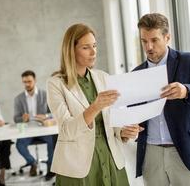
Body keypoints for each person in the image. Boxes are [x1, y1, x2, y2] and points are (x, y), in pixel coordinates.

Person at [134, 13, 190, 186]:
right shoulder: (136, 74)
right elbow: (133, 113)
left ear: (167, 37)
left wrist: (186, 91)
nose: (149, 47)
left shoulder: (189, 61)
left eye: (154, 40)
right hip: (151, 153)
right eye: (144, 41)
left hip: (185, 150)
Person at [46, 23, 142, 186]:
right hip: (79, 166)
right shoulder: (56, 84)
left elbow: (113, 121)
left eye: (95, 46)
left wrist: (123, 132)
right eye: (86, 47)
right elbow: (66, 130)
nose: (93, 52)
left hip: (110, 158)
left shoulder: (103, 77)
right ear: (71, 50)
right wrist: (95, 107)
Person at [13, 70, 55, 181]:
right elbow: (15, 118)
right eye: (24, 82)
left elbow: (54, 114)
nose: (27, 84)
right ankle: (32, 163)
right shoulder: (18, 99)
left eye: (29, 81)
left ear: (35, 80)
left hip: (43, 128)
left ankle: (51, 168)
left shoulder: (45, 95)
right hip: (28, 130)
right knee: (19, 145)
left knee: (52, 141)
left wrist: (45, 115)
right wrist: (22, 118)